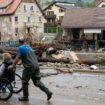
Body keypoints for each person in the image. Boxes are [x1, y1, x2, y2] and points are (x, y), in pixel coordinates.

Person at [8, 37, 52, 101]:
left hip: (29, 67)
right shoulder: (29, 47)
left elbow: (18, 57)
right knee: (37, 82)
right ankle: (48, 92)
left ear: (19, 42)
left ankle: (25, 97)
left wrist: (13, 65)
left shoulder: (20, 48)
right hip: (36, 65)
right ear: (24, 41)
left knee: (24, 81)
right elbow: (27, 56)